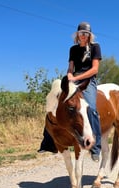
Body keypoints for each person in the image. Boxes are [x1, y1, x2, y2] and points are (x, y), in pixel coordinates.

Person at [38, 21, 102, 162]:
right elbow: (70, 67)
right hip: (74, 79)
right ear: (77, 35)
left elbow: (94, 69)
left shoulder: (95, 47)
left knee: (91, 108)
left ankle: (96, 147)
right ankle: (48, 141)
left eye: (86, 33)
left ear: (89, 35)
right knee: (54, 101)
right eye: (81, 33)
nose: (83, 36)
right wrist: (69, 75)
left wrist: (77, 77)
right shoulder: (73, 49)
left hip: (87, 81)